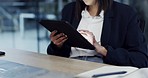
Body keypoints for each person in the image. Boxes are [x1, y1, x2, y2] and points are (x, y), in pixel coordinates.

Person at [47, 0, 148, 68]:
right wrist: (58, 45)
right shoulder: (69, 10)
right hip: (68, 66)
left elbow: (141, 59)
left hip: (100, 67)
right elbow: (56, 55)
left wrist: (103, 50)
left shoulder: (125, 14)